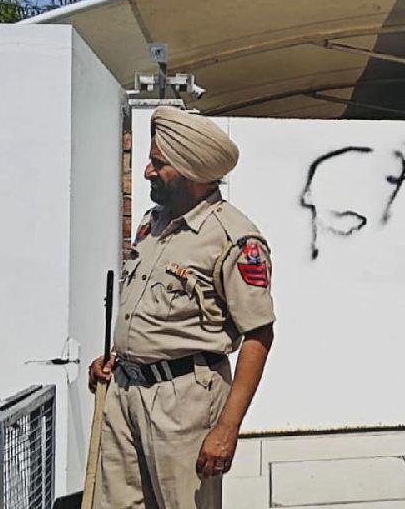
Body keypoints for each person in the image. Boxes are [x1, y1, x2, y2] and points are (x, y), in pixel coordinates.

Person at [88, 106, 275, 508]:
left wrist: (227, 428)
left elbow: (259, 334)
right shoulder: (151, 225)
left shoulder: (233, 238)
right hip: (124, 394)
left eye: (159, 164)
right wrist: (115, 358)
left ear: (191, 170)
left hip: (183, 403)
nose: (147, 172)